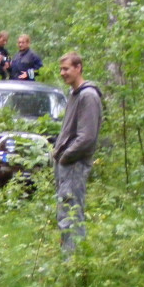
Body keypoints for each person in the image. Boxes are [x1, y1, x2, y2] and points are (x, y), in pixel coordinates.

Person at [52, 52, 103, 253]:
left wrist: (65, 156)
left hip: (74, 165)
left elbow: (87, 137)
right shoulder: (75, 94)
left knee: (71, 216)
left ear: (78, 67)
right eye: (61, 69)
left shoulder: (88, 96)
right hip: (66, 165)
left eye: (66, 68)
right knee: (65, 213)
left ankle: (73, 265)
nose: (62, 73)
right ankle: (70, 261)